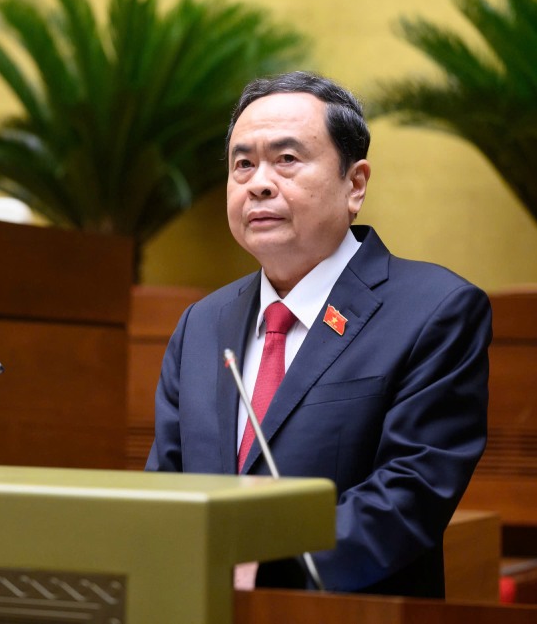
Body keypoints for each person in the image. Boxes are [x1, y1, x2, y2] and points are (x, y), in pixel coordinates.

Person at [145, 71, 491, 598]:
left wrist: (267, 563)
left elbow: (410, 494)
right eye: (243, 164)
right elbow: (165, 486)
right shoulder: (202, 324)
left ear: (355, 184)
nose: (259, 182)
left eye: (286, 160)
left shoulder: (434, 310)